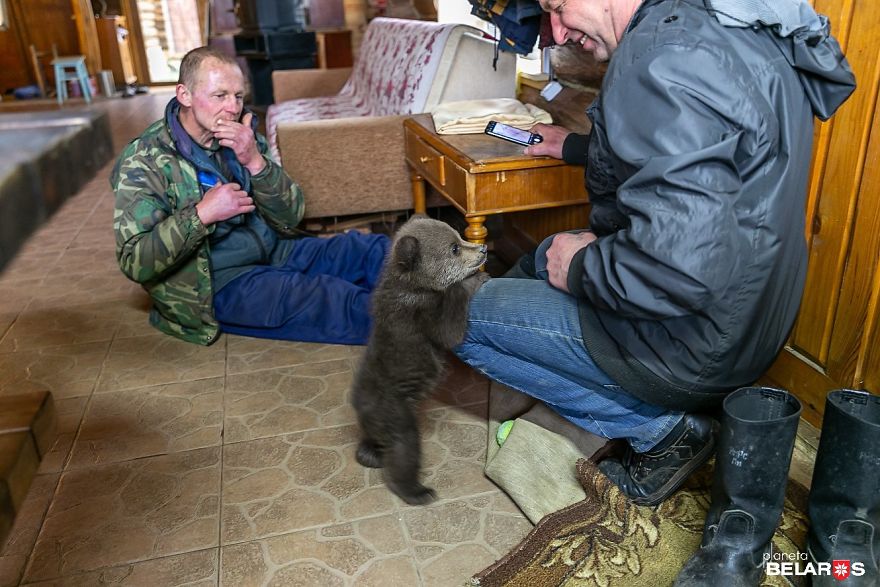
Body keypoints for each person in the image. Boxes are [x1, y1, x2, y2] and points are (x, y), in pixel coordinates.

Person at [455, 0, 855, 505]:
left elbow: (678, 269)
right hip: (753, 324)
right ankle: (577, 368)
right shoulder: (723, 26)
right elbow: (704, 153)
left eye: (558, 6)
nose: (554, 32)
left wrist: (580, 267)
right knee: (539, 260)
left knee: (448, 313)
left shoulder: (658, 57)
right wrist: (574, 148)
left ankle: (663, 429)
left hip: (690, 347)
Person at [112, 47, 389, 346]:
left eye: (239, 96)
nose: (233, 108)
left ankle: (441, 298)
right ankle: (432, 326)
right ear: (185, 95)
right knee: (336, 301)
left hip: (277, 251)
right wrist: (202, 215)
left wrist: (255, 161)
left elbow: (291, 215)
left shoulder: (241, 135)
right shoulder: (144, 159)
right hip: (218, 281)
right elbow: (134, 260)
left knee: (374, 249)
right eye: (220, 96)